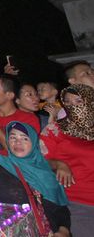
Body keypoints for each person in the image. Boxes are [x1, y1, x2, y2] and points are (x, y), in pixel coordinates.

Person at [41, 84, 94, 236]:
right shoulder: (55, 130)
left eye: (78, 101)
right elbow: (37, 161)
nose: (72, 106)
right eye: (67, 102)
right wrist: (58, 164)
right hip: (77, 204)